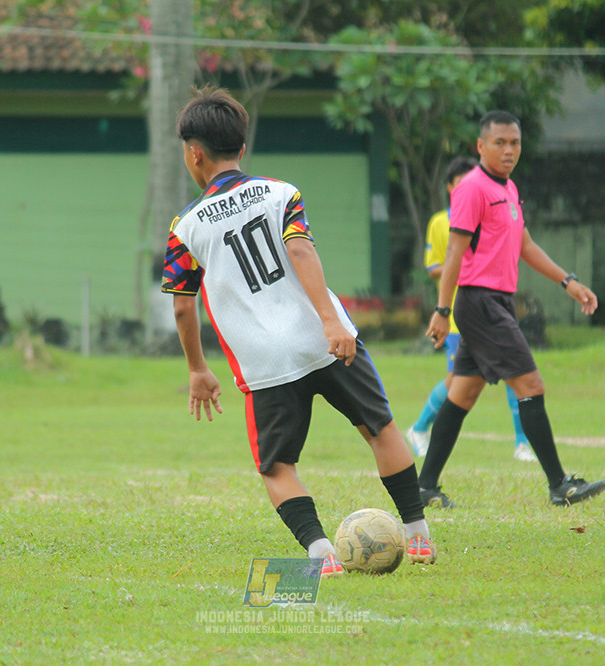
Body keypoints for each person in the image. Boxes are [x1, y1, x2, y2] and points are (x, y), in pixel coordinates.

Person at [162, 85, 437, 577]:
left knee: (277, 466)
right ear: (242, 148)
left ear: (193, 153)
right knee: (380, 429)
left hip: (263, 361)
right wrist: (331, 321)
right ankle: (417, 537)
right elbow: (301, 251)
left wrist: (198, 369)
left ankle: (322, 555)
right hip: (326, 340)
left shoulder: (185, 227)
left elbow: (184, 307)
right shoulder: (281, 192)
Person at [421, 110, 605, 509]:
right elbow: (454, 253)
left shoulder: (507, 188)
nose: (509, 150)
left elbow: (525, 246)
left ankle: (424, 486)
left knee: (462, 394)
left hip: (495, 301)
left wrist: (568, 282)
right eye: (499, 143)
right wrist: (442, 309)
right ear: (480, 146)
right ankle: (560, 485)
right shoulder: (472, 188)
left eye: (515, 143)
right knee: (531, 387)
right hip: (480, 303)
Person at [406, 156, 537, 465]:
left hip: (490, 304)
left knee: (514, 374)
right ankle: (420, 429)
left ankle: (522, 443)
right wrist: (464, 267)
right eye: (462, 182)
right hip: (459, 312)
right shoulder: (441, 222)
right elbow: (437, 266)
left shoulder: (494, 208)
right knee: (457, 381)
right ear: (451, 187)